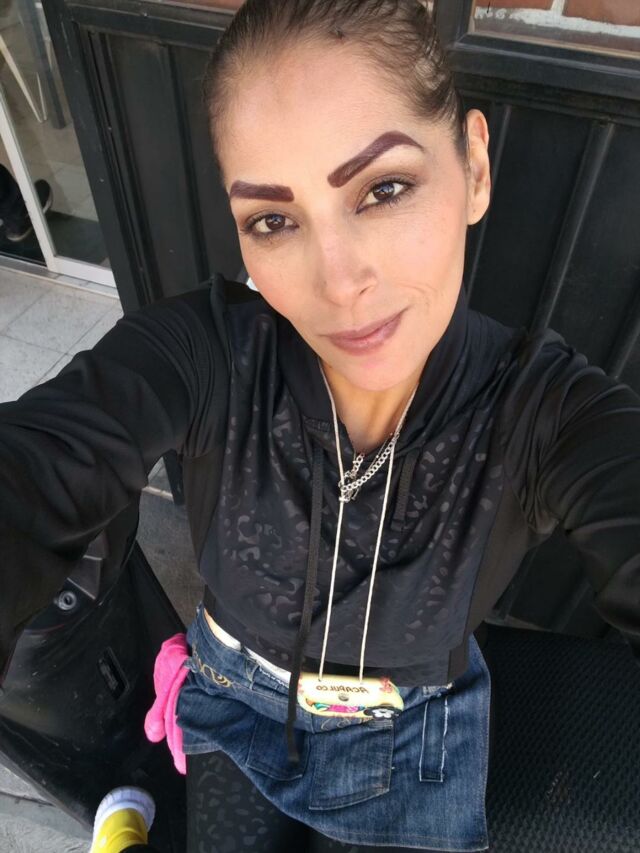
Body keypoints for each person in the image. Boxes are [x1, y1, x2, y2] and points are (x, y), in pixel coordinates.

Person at [1, 1, 639, 851]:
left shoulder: (546, 414)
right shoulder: (206, 355)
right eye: (275, 220)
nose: (338, 283)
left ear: (474, 166)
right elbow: (33, 471)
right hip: (233, 699)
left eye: (383, 190)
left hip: (410, 743)